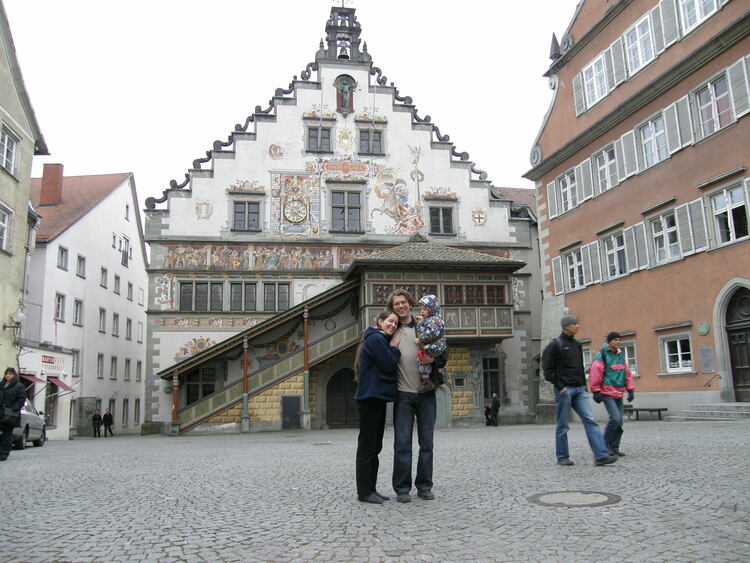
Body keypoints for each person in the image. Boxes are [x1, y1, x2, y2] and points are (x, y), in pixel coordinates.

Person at [542, 315, 618, 467]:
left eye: (578, 323)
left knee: (590, 420)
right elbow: (548, 370)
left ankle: (601, 455)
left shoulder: (576, 345)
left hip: (579, 389)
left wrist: (584, 386)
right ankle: (562, 456)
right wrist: (561, 387)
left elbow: (580, 368)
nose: (578, 326)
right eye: (575, 324)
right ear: (566, 326)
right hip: (565, 390)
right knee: (563, 425)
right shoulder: (555, 345)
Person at [387, 289, 440, 502]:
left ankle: (424, 486)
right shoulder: (391, 330)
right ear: (393, 308)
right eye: (396, 304)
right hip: (402, 394)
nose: (401, 306)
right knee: (402, 444)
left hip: (426, 392)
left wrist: (435, 359)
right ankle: (402, 488)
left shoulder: (424, 325)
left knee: (427, 443)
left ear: (410, 304)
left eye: (403, 302)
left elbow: (443, 350)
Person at [354, 311, 401, 504]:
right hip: (370, 398)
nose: (393, 325)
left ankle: (371, 489)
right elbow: (388, 364)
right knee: (367, 447)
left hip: (376, 397)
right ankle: (364, 492)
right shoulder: (376, 339)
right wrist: (394, 347)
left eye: (396, 323)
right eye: (390, 321)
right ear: (380, 321)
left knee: (375, 446)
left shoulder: (377, 338)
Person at [589, 331, 635, 457]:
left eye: (619, 340)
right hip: (607, 392)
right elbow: (595, 373)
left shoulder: (620, 355)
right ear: (609, 341)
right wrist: (596, 391)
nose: (618, 342)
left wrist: (630, 389)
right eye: (615, 340)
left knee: (619, 422)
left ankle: (614, 447)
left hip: (619, 392)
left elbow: (627, 373)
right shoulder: (601, 355)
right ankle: (604, 446)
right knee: (615, 418)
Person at [414, 294, 447, 393]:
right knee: (423, 363)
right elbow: (425, 330)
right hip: (433, 347)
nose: (421, 311)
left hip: (434, 347)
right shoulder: (431, 320)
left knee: (422, 362)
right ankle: (428, 381)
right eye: (421, 309)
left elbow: (430, 333)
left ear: (432, 309)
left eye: (424, 309)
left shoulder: (435, 320)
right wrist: (421, 322)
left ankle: (429, 381)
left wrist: (420, 339)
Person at [1, 367, 27, 461]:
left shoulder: (19, 386)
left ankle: (3, 454)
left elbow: (21, 399)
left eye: (10, 374)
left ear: (14, 375)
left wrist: (14, 408)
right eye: (6, 373)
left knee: (7, 434)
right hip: (1, 412)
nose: (7, 375)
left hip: (10, 414)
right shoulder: (1, 384)